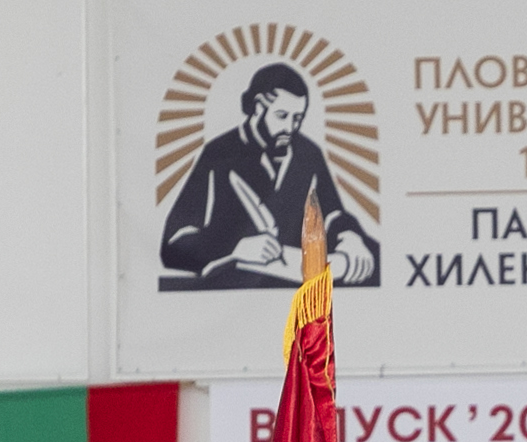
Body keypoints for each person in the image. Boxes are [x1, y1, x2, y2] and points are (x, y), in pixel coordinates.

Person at [159, 63, 377, 290]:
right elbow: (173, 243)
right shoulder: (218, 155)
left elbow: (332, 214)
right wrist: (234, 247)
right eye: (282, 116)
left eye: (298, 118)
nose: (290, 128)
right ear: (257, 107)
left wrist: (350, 238)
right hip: (234, 294)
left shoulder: (308, 154)